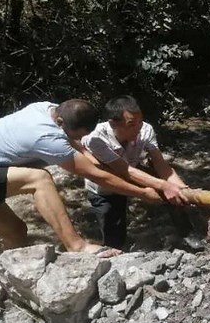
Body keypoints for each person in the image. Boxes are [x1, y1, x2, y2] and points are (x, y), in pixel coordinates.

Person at [0, 99, 162, 257]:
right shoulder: (46, 137)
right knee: (39, 179)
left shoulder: (46, 109)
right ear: (60, 123)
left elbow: (73, 142)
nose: (77, 140)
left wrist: (90, 158)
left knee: (16, 232)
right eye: (76, 136)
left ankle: (6, 275)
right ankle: (77, 245)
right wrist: (143, 193)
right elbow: (99, 177)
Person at [81, 95, 196, 250]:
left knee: (175, 196)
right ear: (113, 123)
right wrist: (164, 186)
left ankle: (188, 235)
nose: (139, 128)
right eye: (132, 124)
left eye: (140, 121)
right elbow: (124, 170)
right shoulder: (95, 139)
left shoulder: (146, 129)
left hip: (134, 171)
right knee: (114, 233)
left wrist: (182, 189)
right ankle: (114, 253)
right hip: (106, 185)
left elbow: (161, 164)